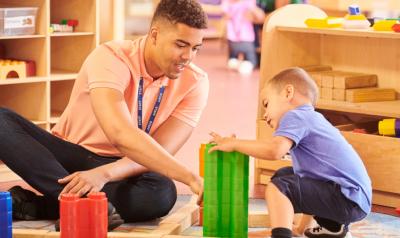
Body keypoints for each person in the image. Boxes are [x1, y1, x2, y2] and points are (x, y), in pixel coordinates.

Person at [0, 0, 208, 229]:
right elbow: (119, 132)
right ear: (155, 35)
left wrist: (105, 173)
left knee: (162, 192)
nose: (188, 56)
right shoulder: (111, 57)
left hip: (124, 167)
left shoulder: (196, 82)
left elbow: (161, 150)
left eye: (196, 48)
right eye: (180, 45)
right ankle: (80, 203)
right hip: (69, 158)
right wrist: (190, 178)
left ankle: (44, 205)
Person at [209, 67, 371, 238]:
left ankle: (281, 235)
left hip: (346, 197)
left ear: (288, 93)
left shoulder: (296, 116)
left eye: (266, 104)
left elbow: (274, 151)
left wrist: (235, 144)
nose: (265, 114)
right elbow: (312, 183)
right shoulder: (311, 118)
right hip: (352, 199)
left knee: (279, 187)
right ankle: (332, 229)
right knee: (284, 176)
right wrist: (300, 230)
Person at [222, 0, 265, 75]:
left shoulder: (231, 4)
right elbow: (260, 16)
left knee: (236, 58)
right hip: (242, 37)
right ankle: (243, 63)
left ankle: (237, 62)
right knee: (250, 59)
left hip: (238, 37)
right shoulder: (247, 3)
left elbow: (260, 16)